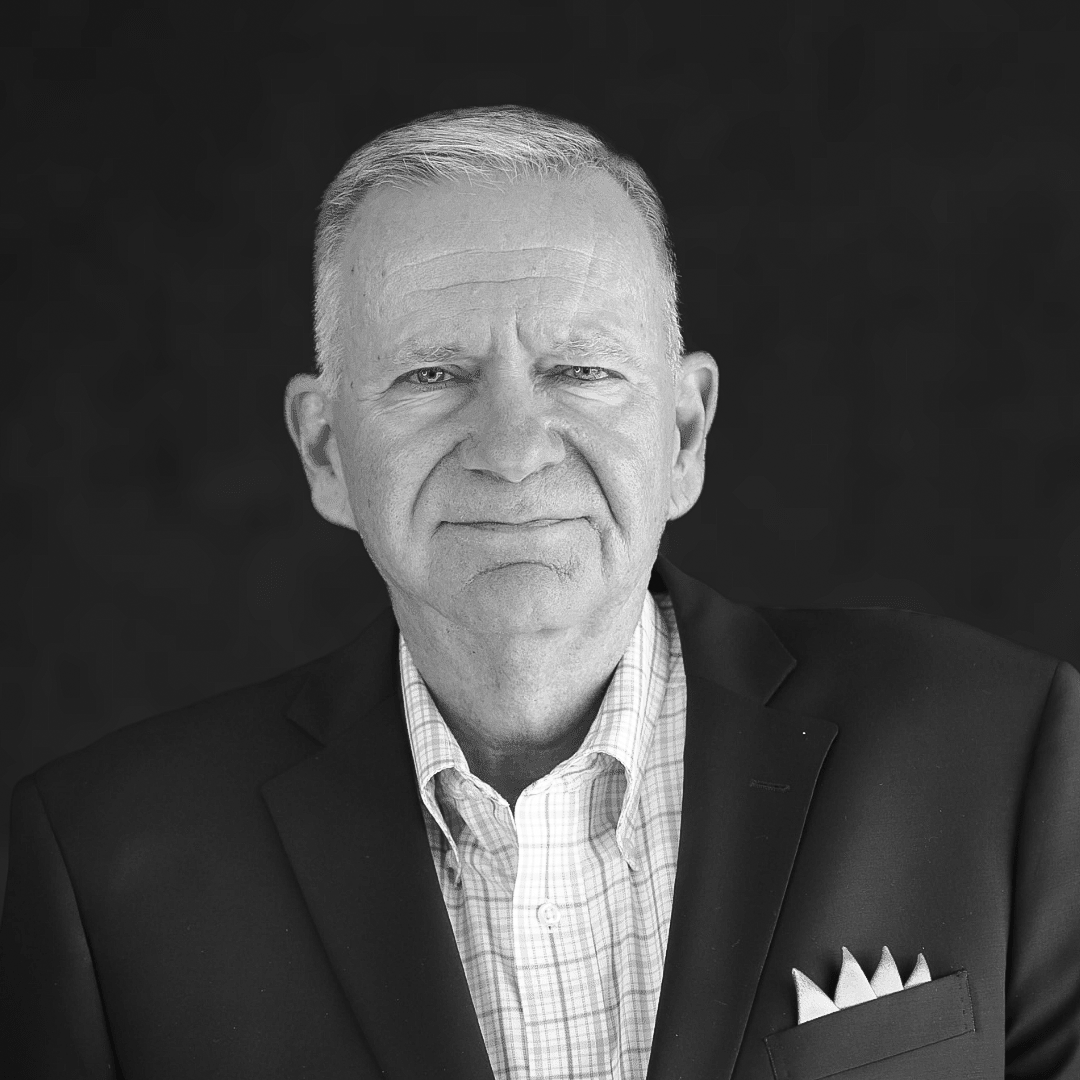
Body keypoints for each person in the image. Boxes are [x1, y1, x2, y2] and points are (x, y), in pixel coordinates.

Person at [1, 105, 1077, 1080]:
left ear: (686, 432)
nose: (513, 449)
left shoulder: (1002, 753)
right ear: (325, 450)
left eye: (580, 370)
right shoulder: (103, 866)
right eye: (432, 376)